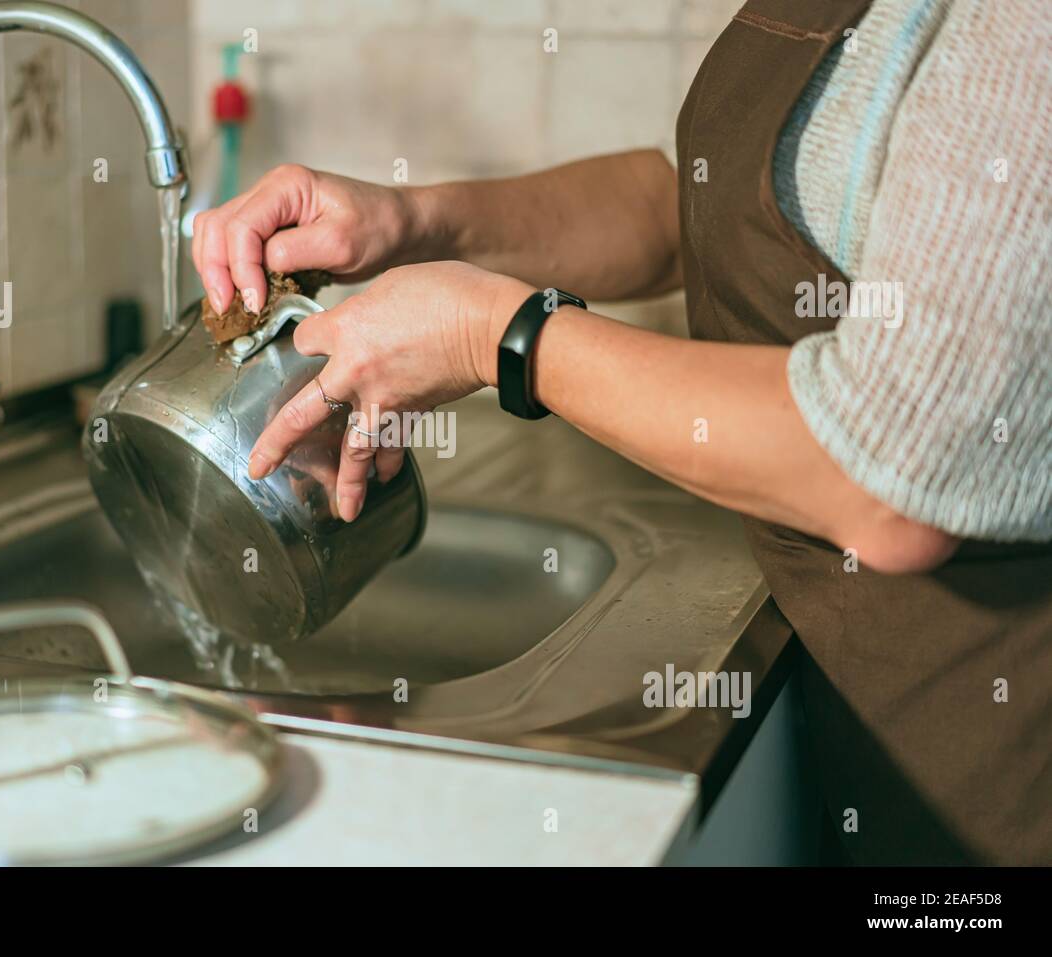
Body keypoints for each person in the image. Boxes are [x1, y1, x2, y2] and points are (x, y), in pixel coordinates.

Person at [191, 0, 1050, 864]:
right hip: (871, 720)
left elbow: (890, 477)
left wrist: (491, 335)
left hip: (1001, 774)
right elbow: (683, 201)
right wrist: (415, 221)